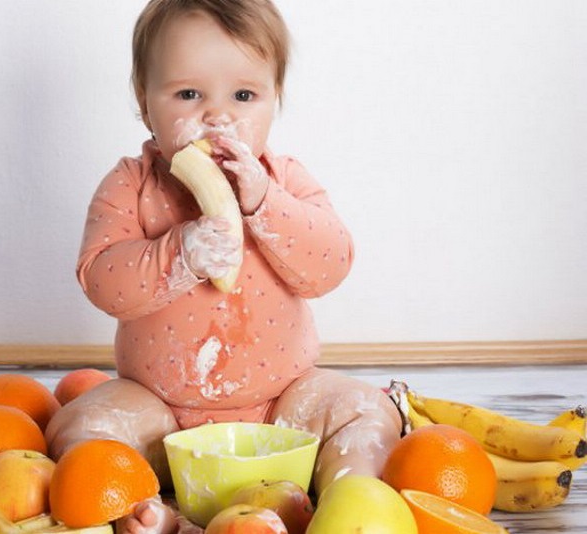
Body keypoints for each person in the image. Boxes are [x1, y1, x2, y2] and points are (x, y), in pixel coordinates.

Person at [46, 1, 402, 532]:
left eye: (243, 95)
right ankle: (154, 513)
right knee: (79, 427)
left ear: (273, 101)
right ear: (146, 105)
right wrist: (180, 253)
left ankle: (348, 506)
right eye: (189, 94)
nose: (218, 115)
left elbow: (331, 264)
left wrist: (266, 206)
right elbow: (101, 280)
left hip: (284, 405)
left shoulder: (285, 181)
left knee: (366, 410)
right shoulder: (131, 186)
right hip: (158, 410)